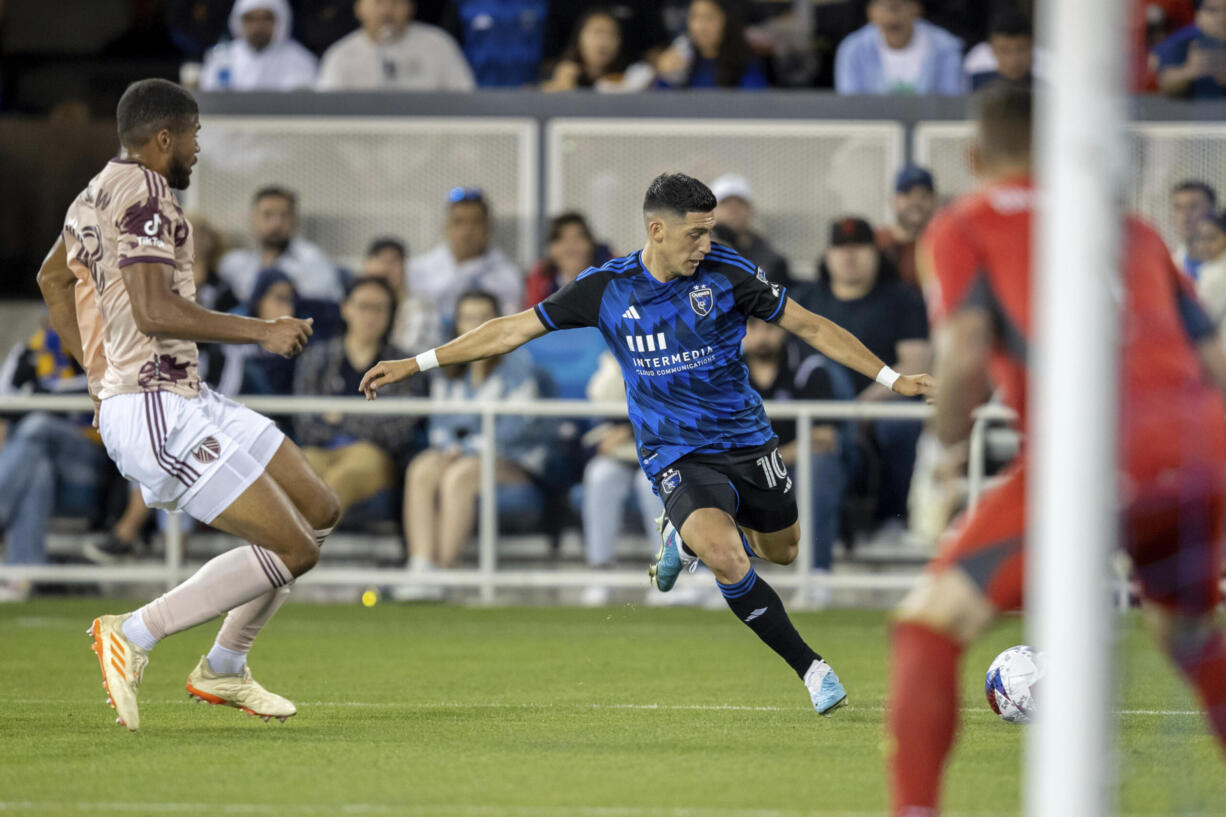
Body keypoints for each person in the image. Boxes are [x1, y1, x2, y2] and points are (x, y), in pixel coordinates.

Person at [360, 172, 932, 715]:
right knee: (727, 557)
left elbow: (809, 325)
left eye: (710, 232)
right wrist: (417, 361)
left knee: (782, 550)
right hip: (674, 451)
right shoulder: (605, 287)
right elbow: (510, 328)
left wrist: (892, 379)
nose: (706, 244)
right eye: (696, 233)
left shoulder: (728, 273)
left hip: (746, 439)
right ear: (657, 230)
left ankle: (684, 537)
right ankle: (811, 669)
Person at [889, 82, 1226, 816]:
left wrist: (940, 450)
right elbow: (1214, 359)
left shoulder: (965, 223)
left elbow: (968, 352)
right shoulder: (1126, 228)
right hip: (1202, 449)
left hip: (1090, 455)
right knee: (1191, 634)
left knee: (929, 622)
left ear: (977, 154)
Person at [40, 78, 339, 731]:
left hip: (181, 392)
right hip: (154, 403)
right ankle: (135, 632)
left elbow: (52, 277)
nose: (199, 148)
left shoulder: (93, 193)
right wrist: (261, 329)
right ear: (164, 137)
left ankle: (225, 666)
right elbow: (153, 310)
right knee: (294, 547)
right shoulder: (149, 198)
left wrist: (93, 367)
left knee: (319, 509)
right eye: (195, 134)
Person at [798, 217, 931, 533]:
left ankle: (892, 522)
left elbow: (914, 364)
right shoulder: (805, 300)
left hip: (877, 406)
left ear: (875, 253)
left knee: (901, 422)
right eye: (841, 248)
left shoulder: (902, 300)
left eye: (859, 247)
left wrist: (859, 407)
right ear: (828, 255)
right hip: (814, 409)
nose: (849, 256)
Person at [400, 290, 545, 578]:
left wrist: (465, 448)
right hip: (459, 455)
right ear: (457, 324)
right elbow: (439, 425)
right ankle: (420, 567)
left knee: (460, 476)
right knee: (422, 468)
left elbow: (516, 430)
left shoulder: (520, 365)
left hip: (514, 461)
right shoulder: (446, 368)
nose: (476, 326)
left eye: (483, 318)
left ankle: (443, 572)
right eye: (468, 318)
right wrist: (454, 447)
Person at [0, 324, 150, 597]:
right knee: (37, 466)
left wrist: (39, 398)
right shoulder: (27, 353)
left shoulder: (109, 354)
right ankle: (21, 575)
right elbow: (2, 414)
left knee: (37, 425)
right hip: (47, 478)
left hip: (93, 473)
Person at [742, 317, 855, 606]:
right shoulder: (724, 369)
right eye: (752, 328)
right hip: (745, 464)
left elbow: (823, 437)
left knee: (820, 466)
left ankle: (817, 574)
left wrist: (769, 460)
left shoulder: (810, 367)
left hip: (794, 464)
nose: (761, 336)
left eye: (769, 327)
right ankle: (719, 573)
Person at [294, 278, 418, 519]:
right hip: (319, 449)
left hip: (372, 454)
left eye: (379, 308)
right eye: (363, 306)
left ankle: (290, 552)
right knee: (299, 474)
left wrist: (340, 417)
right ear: (345, 308)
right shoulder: (317, 358)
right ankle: (286, 551)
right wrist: (366, 418)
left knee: (342, 479)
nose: (370, 316)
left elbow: (400, 429)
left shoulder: (403, 364)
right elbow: (305, 422)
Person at [578, 352, 661, 607]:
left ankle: (667, 572)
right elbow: (601, 399)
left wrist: (627, 429)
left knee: (650, 486)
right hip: (623, 454)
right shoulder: (612, 360)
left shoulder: (674, 351)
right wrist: (619, 363)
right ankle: (601, 570)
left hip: (663, 450)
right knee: (600, 475)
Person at [407, 187, 524, 319]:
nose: (467, 231)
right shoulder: (418, 271)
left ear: (488, 228)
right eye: (459, 222)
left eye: (475, 222)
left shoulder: (509, 276)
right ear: (446, 227)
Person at [217, 186, 344, 302]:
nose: (276, 223)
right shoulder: (233, 264)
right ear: (253, 219)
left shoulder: (313, 260)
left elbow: (327, 307)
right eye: (268, 215)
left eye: (284, 215)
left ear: (295, 220)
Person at [316, 0, 475, 91]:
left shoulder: (439, 45)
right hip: (362, 146)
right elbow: (327, 117)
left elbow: (464, 99)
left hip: (430, 145)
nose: (387, 11)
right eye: (378, 2)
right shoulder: (340, 55)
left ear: (411, 7)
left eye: (396, 2)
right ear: (359, 8)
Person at [834, 0, 963, 96]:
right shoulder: (852, 49)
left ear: (916, 9)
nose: (892, 15)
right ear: (870, 12)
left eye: (900, 6)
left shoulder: (945, 47)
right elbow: (850, 103)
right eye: (884, 6)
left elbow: (950, 101)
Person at [199, 0, 318, 92]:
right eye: (250, 19)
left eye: (266, 18)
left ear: (281, 20)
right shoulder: (220, 58)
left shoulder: (302, 61)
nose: (258, 26)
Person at [653, 0, 769, 90]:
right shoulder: (684, 61)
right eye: (695, 17)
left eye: (709, 18)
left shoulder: (745, 62)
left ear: (726, 21)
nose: (700, 27)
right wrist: (666, 76)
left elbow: (754, 102)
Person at [541, 7, 654, 92]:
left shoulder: (631, 76)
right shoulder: (556, 72)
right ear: (579, 37)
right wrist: (560, 89)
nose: (605, 41)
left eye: (612, 34)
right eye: (597, 32)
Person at [360, 237, 442, 353]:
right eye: (380, 260)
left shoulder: (421, 306)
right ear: (366, 265)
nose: (386, 267)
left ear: (404, 268)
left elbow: (412, 357)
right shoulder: (351, 303)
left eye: (393, 261)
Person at [709, 173, 791, 287]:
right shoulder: (699, 254)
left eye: (739, 204)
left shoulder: (772, 261)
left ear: (750, 210)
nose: (733, 210)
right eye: (725, 204)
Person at [452, 0, 547, 88]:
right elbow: (450, 45)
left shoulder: (537, 5)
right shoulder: (465, 5)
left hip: (528, 90)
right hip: (479, 89)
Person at [876, 165, 938, 291]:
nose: (916, 202)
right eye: (908, 195)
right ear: (893, 200)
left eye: (924, 196)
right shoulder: (876, 242)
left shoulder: (942, 244)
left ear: (934, 200)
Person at [522, 212, 603, 308]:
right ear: (551, 248)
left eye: (578, 237)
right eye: (561, 238)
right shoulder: (540, 284)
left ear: (591, 244)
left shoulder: (611, 282)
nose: (571, 245)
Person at [1153, 0, 1226, 99]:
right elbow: (1165, 82)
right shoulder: (1184, 42)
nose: (1222, 18)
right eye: (1212, 10)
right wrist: (1188, 71)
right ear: (1198, 15)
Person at [962, 7, 1037, 91]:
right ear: (991, 48)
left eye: (1021, 49)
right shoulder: (976, 65)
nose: (1014, 60)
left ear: (1032, 45)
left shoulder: (1049, 70)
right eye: (1004, 50)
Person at [1171, 179, 1219, 277]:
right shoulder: (1172, 262)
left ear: (1213, 211)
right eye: (1178, 207)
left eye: (1193, 207)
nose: (1185, 215)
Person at [1193, 210, 1226, 326]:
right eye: (1201, 238)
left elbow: (1202, 322)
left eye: (1211, 238)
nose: (1204, 245)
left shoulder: (1215, 275)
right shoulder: (1209, 268)